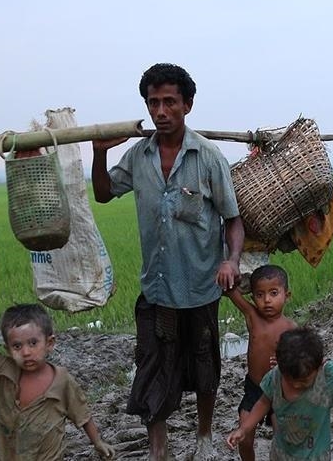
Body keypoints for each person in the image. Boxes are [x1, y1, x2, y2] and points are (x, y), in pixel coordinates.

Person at [91, 63, 245, 460]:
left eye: (169, 102)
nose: (161, 111)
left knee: (205, 367)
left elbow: (233, 220)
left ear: (187, 105)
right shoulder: (138, 155)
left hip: (199, 288)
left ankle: (204, 440)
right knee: (153, 368)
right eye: (153, 102)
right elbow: (105, 193)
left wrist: (232, 261)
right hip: (157, 289)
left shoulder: (207, 157)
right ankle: (159, 450)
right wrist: (97, 154)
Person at [0, 303, 115, 460]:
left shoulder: (61, 381)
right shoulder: (3, 370)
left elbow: (82, 414)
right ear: (7, 349)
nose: (26, 352)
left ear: (49, 343)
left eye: (33, 343)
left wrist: (97, 442)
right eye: (17, 346)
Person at [225, 326, 333, 460]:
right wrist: (244, 429)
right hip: (281, 454)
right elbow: (263, 402)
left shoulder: (325, 375)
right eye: (290, 380)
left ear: (319, 366)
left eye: (303, 381)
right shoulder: (275, 377)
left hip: (316, 456)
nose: (296, 385)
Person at [223, 264, 297, 461]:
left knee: (282, 439)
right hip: (255, 388)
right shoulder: (252, 316)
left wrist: (285, 365)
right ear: (252, 297)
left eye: (274, 293)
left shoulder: (291, 328)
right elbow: (230, 290)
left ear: (287, 295)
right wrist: (230, 271)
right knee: (245, 438)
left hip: (280, 391)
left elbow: (303, 363)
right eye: (259, 295)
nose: (267, 301)